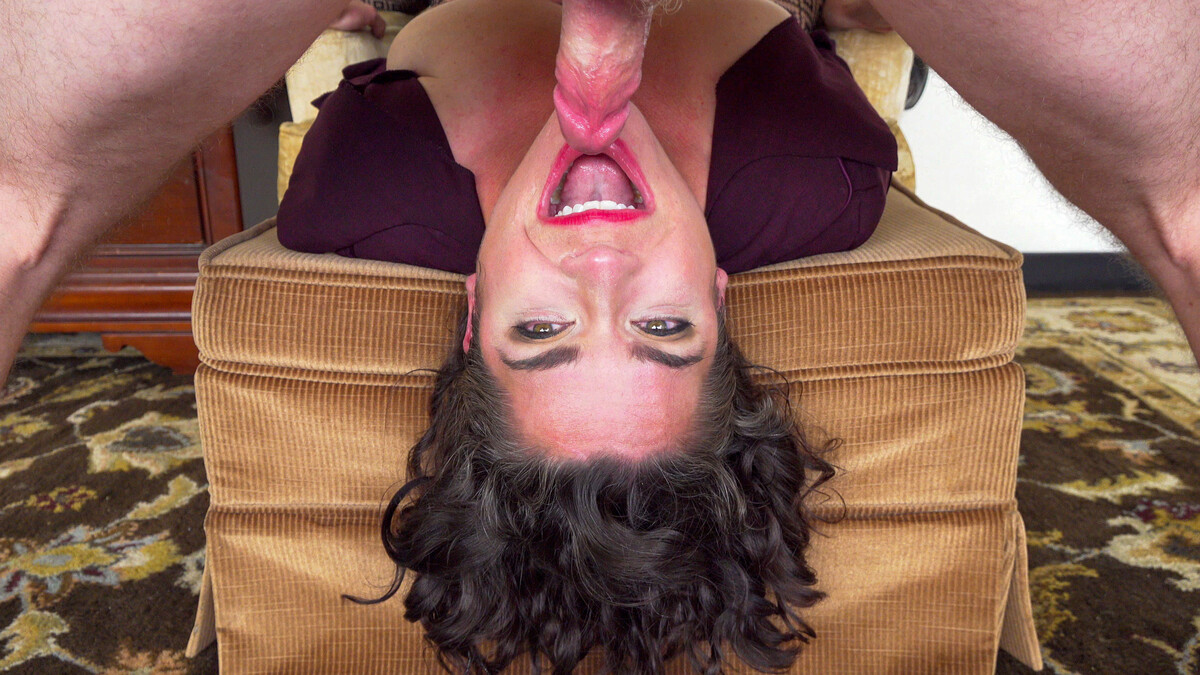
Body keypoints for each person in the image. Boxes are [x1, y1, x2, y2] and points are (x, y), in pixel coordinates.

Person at [275, 0, 889, 669]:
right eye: (662, 325)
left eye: (541, 328)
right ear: (717, 296)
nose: (601, 264)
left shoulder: (372, 191)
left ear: (476, 310)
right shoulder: (811, 171)